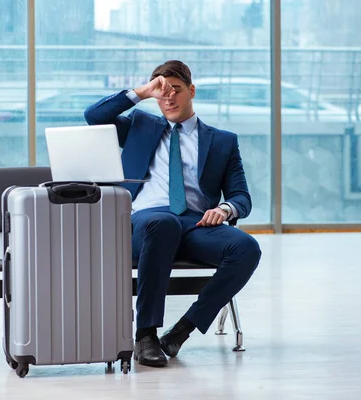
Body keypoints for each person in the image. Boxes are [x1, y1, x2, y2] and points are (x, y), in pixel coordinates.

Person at [84, 60, 261, 368]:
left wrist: (223, 208)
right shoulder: (140, 126)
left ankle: (180, 331)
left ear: (191, 91)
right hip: (143, 223)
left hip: (195, 226)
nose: (168, 98)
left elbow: (240, 196)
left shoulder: (222, 141)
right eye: (161, 92)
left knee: (246, 248)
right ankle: (145, 335)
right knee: (162, 223)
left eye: (176, 90)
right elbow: (93, 116)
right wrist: (142, 92)